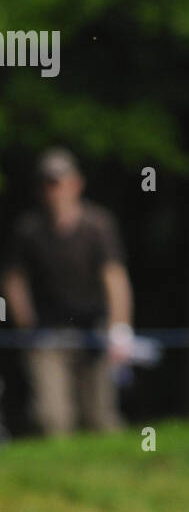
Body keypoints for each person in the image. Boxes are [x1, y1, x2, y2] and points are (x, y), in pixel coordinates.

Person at [2, 149, 133, 434]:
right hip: (47, 333)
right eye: (48, 183)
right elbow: (13, 279)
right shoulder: (28, 230)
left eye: (59, 181)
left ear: (76, 183)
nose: (55, 190)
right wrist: (25, 324)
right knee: (53, 417)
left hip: (94, 331)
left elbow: (115, 277)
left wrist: (120, 327)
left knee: (101, 416)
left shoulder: (98, 225)